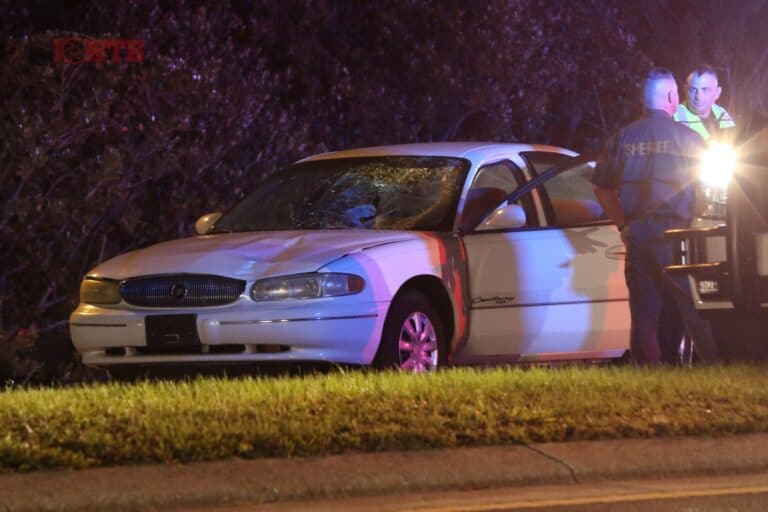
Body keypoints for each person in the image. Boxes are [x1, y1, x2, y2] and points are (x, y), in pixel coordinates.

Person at [592, 68, 721, 365]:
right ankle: (716, 364)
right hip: (677, 236)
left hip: (638, 235)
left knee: (644, 314)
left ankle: (646, 370)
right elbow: (711, 186)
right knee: (694, 307)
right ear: (672, 97)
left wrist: (623, 223)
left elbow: (601, 187)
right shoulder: (688, 138)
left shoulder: (620, 139)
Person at [674, 65, 736, 141]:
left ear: (717, 92)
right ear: (685, 90)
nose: (698, 97)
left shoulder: (722, 114)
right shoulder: (674, 118)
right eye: (693, 89)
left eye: (705, 90)